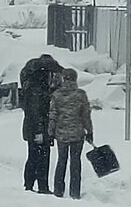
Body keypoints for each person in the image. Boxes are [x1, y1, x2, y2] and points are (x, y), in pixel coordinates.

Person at [19, 53, 63, 193]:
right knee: (42, 157)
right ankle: (41, 187)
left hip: (32, 127)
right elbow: (36, 110)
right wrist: (39, 131)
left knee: (33, 155)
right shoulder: (37, 89)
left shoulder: (31, 85)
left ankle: (30, 185)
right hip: (38, 127)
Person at [48, 67, 93, 199]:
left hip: (61, 133)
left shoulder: (56, 95)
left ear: (63, 78)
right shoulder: (81, 95)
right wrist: (89, 131)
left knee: (61, 161)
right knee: (75, 162)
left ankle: (58, 190)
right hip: (77, 133)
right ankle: (75, 192)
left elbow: (53, 115)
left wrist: (51, 132)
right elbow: (86, 115)